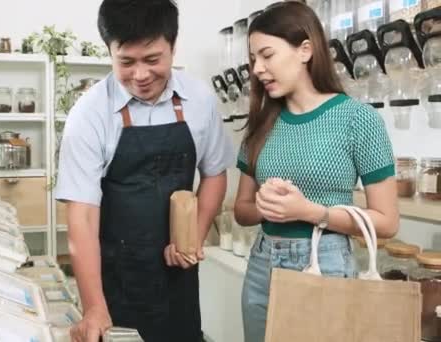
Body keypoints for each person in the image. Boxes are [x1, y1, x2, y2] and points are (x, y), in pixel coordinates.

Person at [54, 0, 234, 341]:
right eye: (126, 62)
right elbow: (82, 216)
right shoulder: (89, 114)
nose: (140, 75)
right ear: (109, 51)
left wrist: (194, 234)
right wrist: (94, 306)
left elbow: (214, 173)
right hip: (116, 278)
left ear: (173, 46)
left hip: (178, 275)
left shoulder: (199, 99)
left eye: (153, 60)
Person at [233, 2, 400, 342]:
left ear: (305, 50)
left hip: (326, 264)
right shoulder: (262, 124)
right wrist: (266, 207)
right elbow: (241, 211)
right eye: (253, 59)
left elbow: (386, 221)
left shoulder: (357, 119)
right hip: (262, 265)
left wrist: (310, 212)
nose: (258, 69)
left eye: (267, 55)